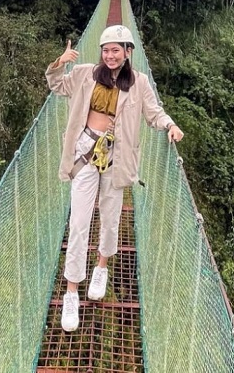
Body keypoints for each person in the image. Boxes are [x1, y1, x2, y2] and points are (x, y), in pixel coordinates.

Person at [46, 24, 184, 332]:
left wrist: (170, 125)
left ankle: (102, 267)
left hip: (115, 158)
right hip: (84, 153)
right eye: (106, 50)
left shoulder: (138, 82)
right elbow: (56, 86)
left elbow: (154, 113)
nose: (109, 56)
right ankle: (71, 293)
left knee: (109, 218)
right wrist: (59, 62)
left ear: (127, 52)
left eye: (115, 50)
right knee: (79, 223)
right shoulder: (84, 74)